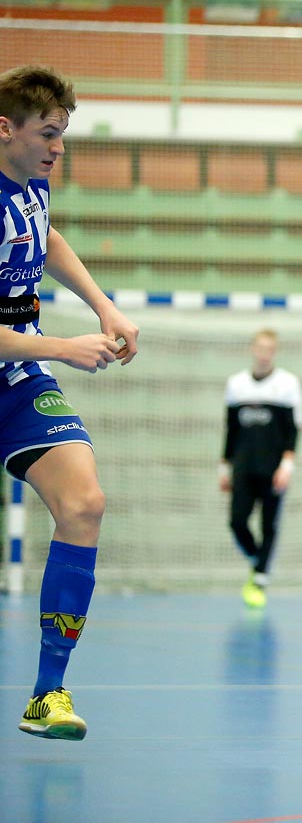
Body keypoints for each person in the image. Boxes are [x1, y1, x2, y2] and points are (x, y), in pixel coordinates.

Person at [0, 65, 140, 740]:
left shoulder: (32, 186)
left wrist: (103, 304)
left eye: (64, 135)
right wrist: (59, 347)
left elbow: (46, 235)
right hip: (28, 356)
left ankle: (47, 693)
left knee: (84, 503)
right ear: (6, 129)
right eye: (48, 134)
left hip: (17, 378)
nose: (59, 148)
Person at [219, 328, 302, 609]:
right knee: (237, 521)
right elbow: (230, 430)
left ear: (274, 352)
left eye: (270, 349)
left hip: (273, 468)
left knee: (269, 524)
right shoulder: (236, 385)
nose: (264, 354)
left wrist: (287, 465)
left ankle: (260, 580)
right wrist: (224, 468)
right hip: (243, 467)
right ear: (253, 350)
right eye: (261, 348)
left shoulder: (288, 384)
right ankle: (259, 561)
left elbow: (292, 431)